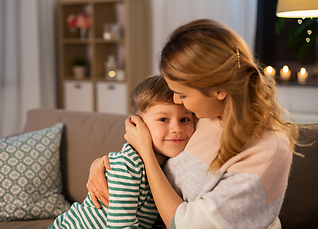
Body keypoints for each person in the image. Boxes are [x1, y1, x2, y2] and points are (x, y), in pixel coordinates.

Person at [87, 19, 298, 229]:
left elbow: (184, 225)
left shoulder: (265, 152)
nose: (178, 101)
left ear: (219, 89)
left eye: (182, 95)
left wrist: (145, 153)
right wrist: (108, 165)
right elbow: (160, 132)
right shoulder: (209, 114)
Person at [49, 75, 195, 229]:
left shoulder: (170, 166)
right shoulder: (127, 165)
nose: (177, 129)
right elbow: (120, 225)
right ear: (137, 124)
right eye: (163, 119)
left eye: (184, 120)